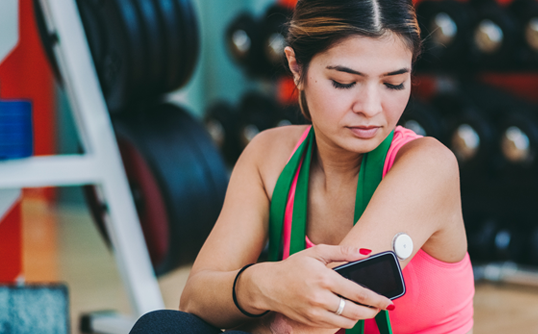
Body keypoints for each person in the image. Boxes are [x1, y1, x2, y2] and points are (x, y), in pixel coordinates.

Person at [130, 0, 474, 333]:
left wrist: (249, 307)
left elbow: (311, 323)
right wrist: (264, 282)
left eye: (393, 83)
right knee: (159, 328)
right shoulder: (268, 156)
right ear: (297, 68)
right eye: (344, 81)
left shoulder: (428, 167)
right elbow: (194, 302)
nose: (371, 107)